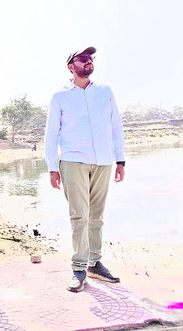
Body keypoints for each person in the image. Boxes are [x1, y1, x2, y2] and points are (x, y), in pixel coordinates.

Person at [44, 46, 126, 293]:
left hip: (103, 160)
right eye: (83, 58)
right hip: (72, 161)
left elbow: (115, 126)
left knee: (97, 216)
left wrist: (120, 160)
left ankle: (94, 262)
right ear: (71, 66)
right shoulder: (60, 96)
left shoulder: (105, 92)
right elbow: (52, 134)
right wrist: (52, 167)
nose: (88, 61)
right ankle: (79, 267)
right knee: (80, 215)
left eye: (90, 58)